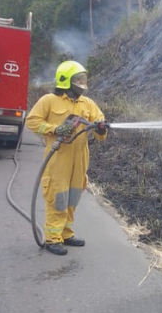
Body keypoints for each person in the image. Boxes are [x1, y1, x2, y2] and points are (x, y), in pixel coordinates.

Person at [25, 60, 108, 256]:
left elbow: (100, 132)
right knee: (58, 197)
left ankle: (66, 233)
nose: (82, 83)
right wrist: (55, 129)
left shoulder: (88, 104)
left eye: (83, 79)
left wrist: (101, 127)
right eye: (78, 79)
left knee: (73, 197)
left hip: (80, 159)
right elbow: (32, 121)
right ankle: (53, 238)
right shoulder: (49, 100)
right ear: (65, 81)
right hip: (58, 158)